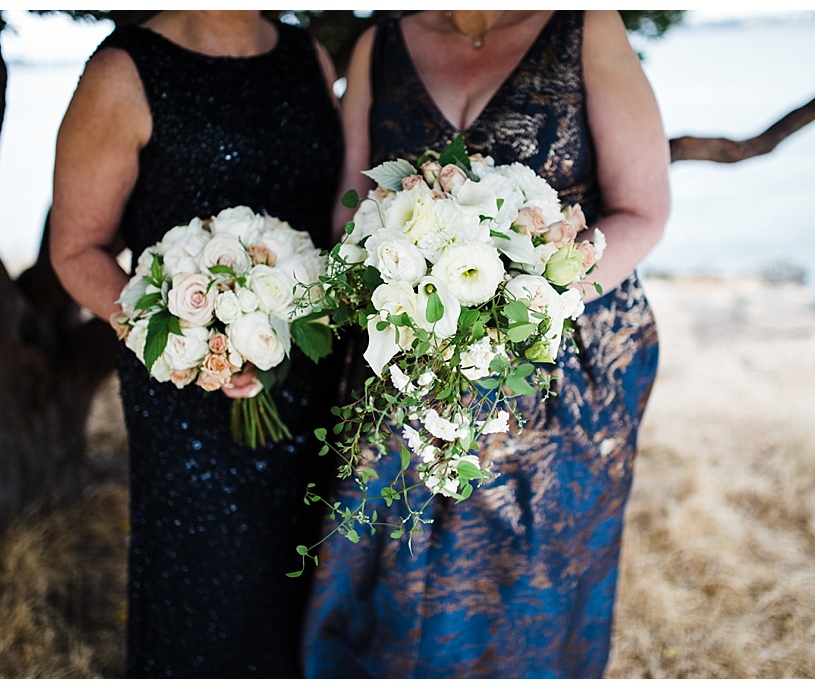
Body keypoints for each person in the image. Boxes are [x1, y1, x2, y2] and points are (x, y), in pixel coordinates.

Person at [302, 10, 670, 679]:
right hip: (404, 358)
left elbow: (643, 210)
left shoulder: (583, 26)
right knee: (388, 579)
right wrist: (399, 289)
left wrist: (526, 306)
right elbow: (350, 204)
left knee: (522, 596)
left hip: (555, 374)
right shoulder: (377, 45)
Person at [49, 11, 344, 678]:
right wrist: (184, 342)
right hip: (187, 397)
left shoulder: (307, 56)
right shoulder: (123, 71)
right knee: (207, 599)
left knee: (308, 590)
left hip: (308, 381)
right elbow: (75, 249)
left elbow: (330, 218)